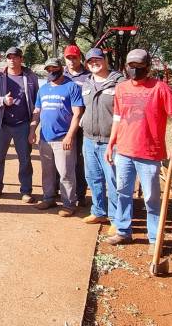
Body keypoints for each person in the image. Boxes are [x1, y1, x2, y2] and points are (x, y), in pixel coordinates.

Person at [104, 49, 172, 251]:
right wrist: (111, 144)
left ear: (148, 67)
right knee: (123, 193)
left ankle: (154, 239)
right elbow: (118, 118)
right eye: (131, 66)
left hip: (149, 154)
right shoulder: (121, 89)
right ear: (126, 67)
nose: (135, 70)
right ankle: (123, 231)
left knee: (151, 198)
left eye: (139, 66)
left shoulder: (161, 89)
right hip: (123, 151)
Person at [29, 58, 84, 217]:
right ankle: (48, 198)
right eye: (49, 69)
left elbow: (77, 114)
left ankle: (69, 204)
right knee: (47, 172)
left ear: (61, 68)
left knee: (66, 172)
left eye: (55, 68)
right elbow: (37, 112)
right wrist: (32, 130)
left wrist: (69, 136)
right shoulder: (43, 89)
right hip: (45, 138)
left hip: (63, 139)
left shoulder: (71, 87)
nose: (52, 71)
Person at [0, 46, 39, 202]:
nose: (12, 60)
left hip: (23, 124)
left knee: (25, 159)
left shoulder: (30, 77)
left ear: (21, 59)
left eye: (15, 57)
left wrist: (33, 127)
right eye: (9, 57)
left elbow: (37, 101)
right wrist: (2, 101)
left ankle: (26, 191)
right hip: (2, 125)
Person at [80, 48, 124, 231]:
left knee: (114, 181)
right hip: (89, 140)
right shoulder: (86, 83)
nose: (94, 63)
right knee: (93, 178)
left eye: (97, 60)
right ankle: (98, 212)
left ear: (105, 60)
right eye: (90, 61)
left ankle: (116, 219)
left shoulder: (119, 82)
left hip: (111, 142)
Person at [63, 44, 90, 206]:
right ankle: (64, 192)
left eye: (74, 57)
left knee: (80, 160)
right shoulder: (60, 75)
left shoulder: (88, 76)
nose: (71, 61)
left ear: (80, 57)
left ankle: (80, 193)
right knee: (63, 160)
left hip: (82, 126)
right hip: (63, 125)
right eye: (68, 58)